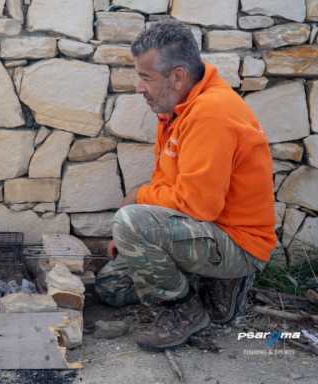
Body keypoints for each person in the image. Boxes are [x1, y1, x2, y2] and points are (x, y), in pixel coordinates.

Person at [95, 20, 277, 352]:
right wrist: (137, 237)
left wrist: (135, 208)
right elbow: (169, 184)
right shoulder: (179, 108)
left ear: (177, 77)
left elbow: (198, 206)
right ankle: (210, 283)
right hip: (204, 231)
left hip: (238, 243)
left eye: (146, 77)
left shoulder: (210, 114)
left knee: (130, 221)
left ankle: (185, 310)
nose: (138, 88)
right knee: (110, 286)